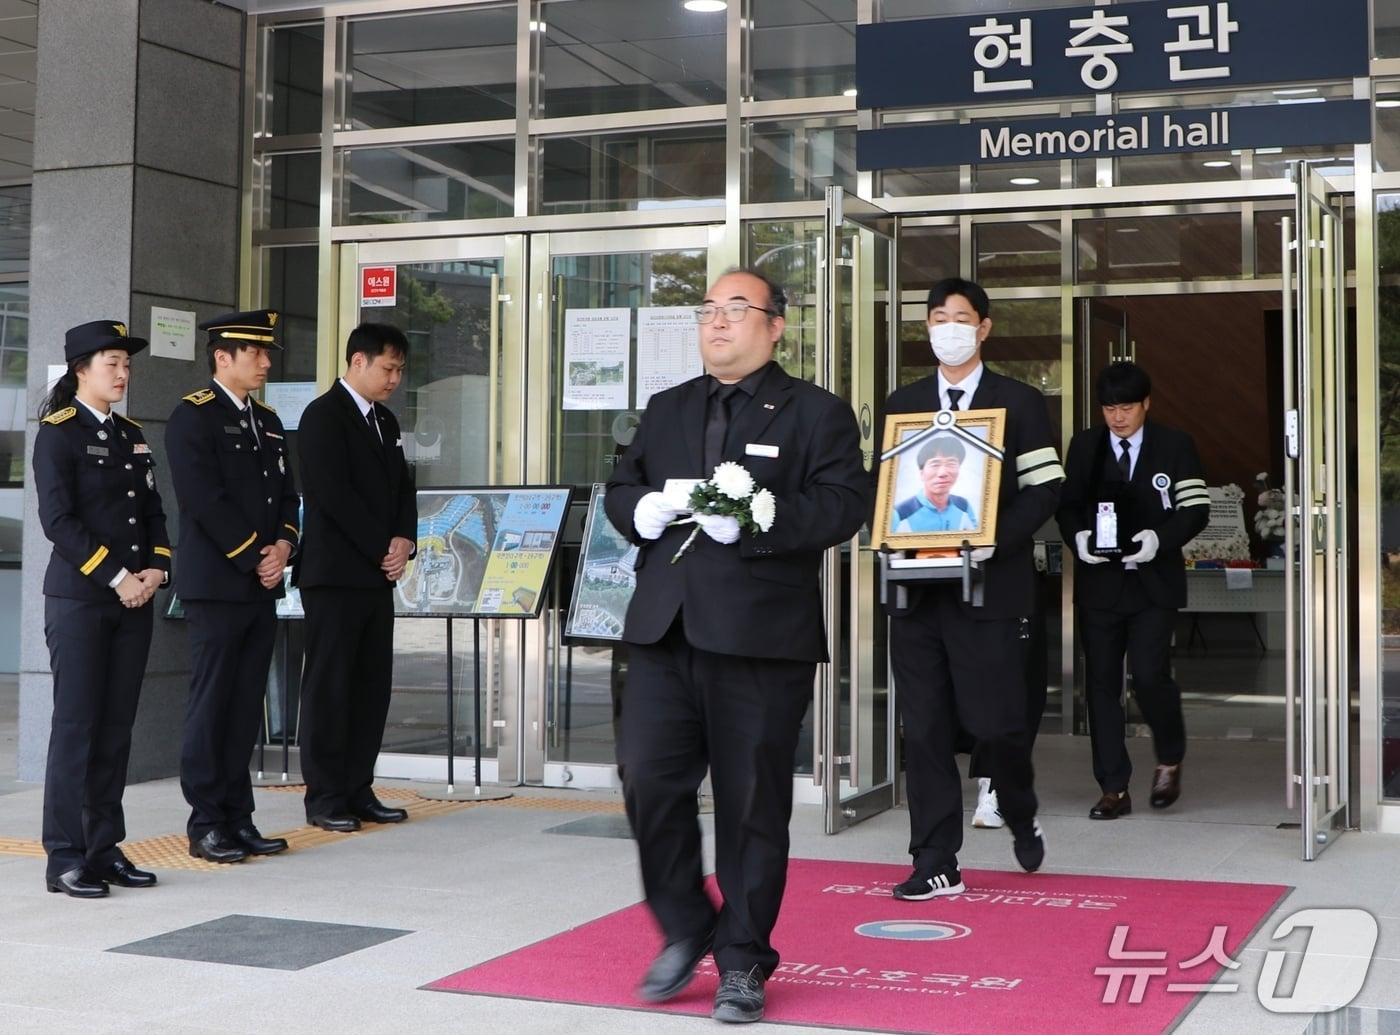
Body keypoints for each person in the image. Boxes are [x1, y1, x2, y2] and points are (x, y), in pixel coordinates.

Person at [605, 269, 869, 1024]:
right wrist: (641, 509)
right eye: (707, 311)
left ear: (776, 325)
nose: (717, 323)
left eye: (735, 310)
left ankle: (744, 960)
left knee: (752, 805)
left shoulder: (815, 413)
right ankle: (687, 923)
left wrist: (759, 518)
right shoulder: (667, 408)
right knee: (647, 779)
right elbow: (622, 486)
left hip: (759, 637)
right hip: (664, 630)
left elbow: (842, 504)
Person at [880, 276, 1064, 901]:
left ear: (983, 328)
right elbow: (885, 491)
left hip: (991, 587)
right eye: (937, 317)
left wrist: (995, 538)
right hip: (915, 593)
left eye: (961, 317)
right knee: (925, 726)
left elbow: (1045, 488)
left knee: (994, 722)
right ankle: (935, 859)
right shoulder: (899, 404)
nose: (948, 327)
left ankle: (1017, 803)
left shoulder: (1021, 400)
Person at [34, 320, 172, 897]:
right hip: (83, 601)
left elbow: (154, 512)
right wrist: (118, 577)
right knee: (76, 728)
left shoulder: (131, 434)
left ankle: (103, 847)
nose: (123, 373)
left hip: (133, 600)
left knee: (116, 730)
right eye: (111, 363)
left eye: (126, 364)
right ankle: (65, 856)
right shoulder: (58, 432)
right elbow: (58, 522)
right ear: (80, 370)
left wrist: (158, 568)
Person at [165, 310, 300, 864]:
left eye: (266, 353)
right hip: (219, 585)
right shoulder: (192, 417)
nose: (266, 362)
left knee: (246, 707)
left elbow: (289, 496)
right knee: (213, 704)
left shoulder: (266, 419)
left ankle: (238, 817)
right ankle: (206, 823)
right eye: (256, 353)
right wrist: (254, 557)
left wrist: (285, 548)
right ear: (223, 356)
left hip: (260, 584)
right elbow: (203, 499)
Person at [1056, 361, 1210, 818]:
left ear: (1146, 404)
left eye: (1126, 407)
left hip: (1152, 583)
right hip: (1100, 585)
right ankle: (1113, 788)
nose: (1118, 417)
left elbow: (1195, 508)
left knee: (1148, 676)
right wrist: (1078, 537)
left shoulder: (1175, 445)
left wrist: (1158, 540)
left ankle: (1169, 756)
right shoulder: (1085, 445)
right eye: (1109, 408)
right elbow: (1068, 507)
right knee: (1101, 686)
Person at [294, 323, 417, 832]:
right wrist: (378, 546)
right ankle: (325, 796)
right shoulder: (323, 416)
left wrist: (404, 539)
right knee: (330, 686)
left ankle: (358, 787)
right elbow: (331, 494)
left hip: (374, 576)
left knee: (371, 686)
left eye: (399, 372)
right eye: (387, 369)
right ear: (357, 361)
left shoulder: (384, 421)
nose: (393, 380)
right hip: (335, 575)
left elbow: (402, 487)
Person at [893, 435, 976, 533]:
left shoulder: (963, 506)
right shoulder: (900, 513)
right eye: (935, 464)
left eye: (951, 464)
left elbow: (980, 543)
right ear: (921, 473)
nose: (943, 473)